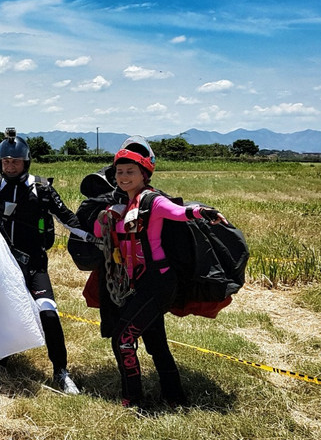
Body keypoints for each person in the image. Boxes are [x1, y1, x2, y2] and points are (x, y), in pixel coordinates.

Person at [96, 136, 226, 408]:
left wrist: (203, 212)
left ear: (144, 174)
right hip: (135, 283)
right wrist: (105, 217)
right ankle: (174, 395)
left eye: (130, 172)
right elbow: (99, 234)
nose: (123, 177)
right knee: (155, 342)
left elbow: (179, 212)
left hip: (157, 283)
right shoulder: (119, 207)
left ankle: (132, 397)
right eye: (119, 172)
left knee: (123, 338)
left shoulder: (151, 201)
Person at [0, 129, 92, 394]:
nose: (10, 166)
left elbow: (67, 217)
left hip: (34, 264)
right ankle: (0, 360)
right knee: (1, 313)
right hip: (3, 266)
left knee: (47, 312)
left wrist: (93, 238)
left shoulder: (42, 188)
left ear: (26, 163)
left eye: (15, 162)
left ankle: (61, 371)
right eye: (5, 162)